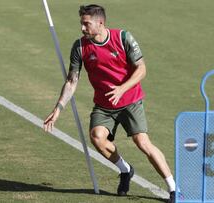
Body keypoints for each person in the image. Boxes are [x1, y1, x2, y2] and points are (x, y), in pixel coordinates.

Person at [43, 4, 177, 202]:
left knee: (142, 142)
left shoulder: (123, 38)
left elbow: (141, 69)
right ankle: (126, 170)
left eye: (86, 24)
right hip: (105, 106)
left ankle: (174, 188)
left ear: (100, 23)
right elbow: (72, 81)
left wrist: (122, 88)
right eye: (81, 24)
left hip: (130, 100)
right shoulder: (80, 47)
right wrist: (58, 108)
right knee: (97, 136)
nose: (82, 28)